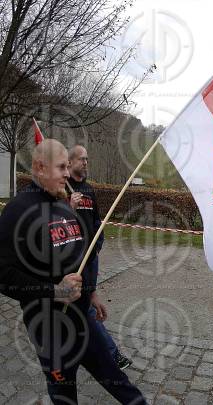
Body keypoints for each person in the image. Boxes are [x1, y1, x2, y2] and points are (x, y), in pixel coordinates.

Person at [0, 139, 145, 404]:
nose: (68, 174)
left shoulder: (64, 205)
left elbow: (77, 259)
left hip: (84, 321)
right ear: (40, 168)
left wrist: (91, 294)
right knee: (65, 396)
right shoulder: (17, 211)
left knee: (120, 382)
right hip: (51, 333)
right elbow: (3, 275)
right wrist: (54, 291)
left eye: (68, 166)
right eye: (61, 167)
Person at [67, 144, 132, 369]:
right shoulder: (62, 189)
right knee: (84, 304)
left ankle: (80, 344)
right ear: (69, 163)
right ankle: (111, 355)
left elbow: (97, 220)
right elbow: (55, 222)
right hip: (72, 260)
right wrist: (68, 206)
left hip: (90, 257)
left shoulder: (88, 190)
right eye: (81, 159)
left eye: (87, 159)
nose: (85, 163)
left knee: (86, 301)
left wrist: (98, 244)